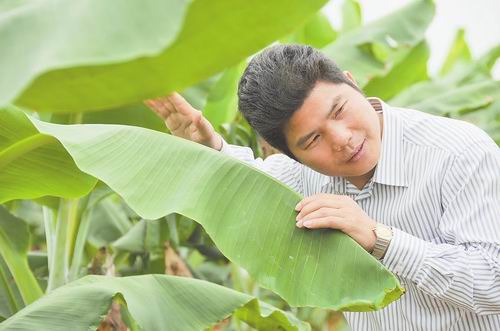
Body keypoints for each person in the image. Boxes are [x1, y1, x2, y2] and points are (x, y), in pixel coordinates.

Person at [144, 44, 500, 330]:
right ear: (288, 154)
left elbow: (493, 282)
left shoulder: (458, 153)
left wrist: (379, 237)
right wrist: (210, 149)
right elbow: (251, 184)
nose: (343, 139)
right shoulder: (303, 177)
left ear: (352, 82)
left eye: (339, 110)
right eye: (313, 139)